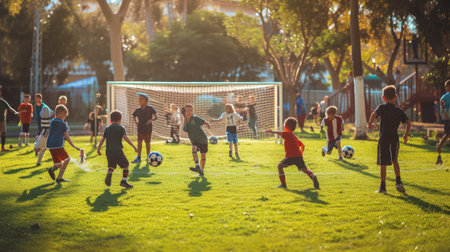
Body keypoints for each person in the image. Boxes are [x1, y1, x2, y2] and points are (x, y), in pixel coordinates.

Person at [368, 85, 411, 194]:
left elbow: (373, 114)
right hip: (394, 139)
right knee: (394, 160)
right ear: (395, 97)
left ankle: (383, 188)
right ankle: (398, 182)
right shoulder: (399, 111)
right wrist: (405, 135)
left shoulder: (381, 107)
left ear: (383, 97)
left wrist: (370, 123)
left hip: (384, 139)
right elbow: (408, 123)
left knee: (383, 163)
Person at [265, 117, 319, 189]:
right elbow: (302, 145)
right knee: (305, 170)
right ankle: (313, 176)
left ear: (287, 126)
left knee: (280, 166)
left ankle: (283, 185)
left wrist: (272, 132)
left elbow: (280, 132)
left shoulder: (287, 134)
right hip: (299, 157)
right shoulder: (294, 136)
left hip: (290, 157)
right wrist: (300, 155)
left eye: (284, 125)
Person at [97, 110, 137, 189]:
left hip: (108, 151)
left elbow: (102, 139)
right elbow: (125, 138)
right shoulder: (121, 128)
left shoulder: (107, 128)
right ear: (120, 119)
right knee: (126, 165)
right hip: (118, 151)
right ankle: (124, 181)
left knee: (111, 166)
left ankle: (109, 174)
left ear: (110, 120)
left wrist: (98, 149)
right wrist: (134, 147)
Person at [46, 104, 80, 183]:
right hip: (58, 145)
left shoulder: (52, 121)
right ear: (62, 114)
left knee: (59, 164)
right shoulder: (63, 124)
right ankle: (59, 177)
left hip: (50, 145)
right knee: (67, 159)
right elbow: (67, 137)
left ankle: (53, 170)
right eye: (65, 115)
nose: (65, 117)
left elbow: (48, 132)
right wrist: (73, 146)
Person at [181, 104, 211, 177]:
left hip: (202, 139)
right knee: (194, 148)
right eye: (187, 111)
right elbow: (184, 129)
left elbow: (205, 123)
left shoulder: (195, 118)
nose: (188, 112)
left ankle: (202, 171)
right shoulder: (186, 121)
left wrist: (208, 125)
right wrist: (184, 118)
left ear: (193, 111)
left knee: (203, 156)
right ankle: (197, 166)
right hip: (194, 140)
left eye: (190, 110)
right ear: (184, 112)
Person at [131, 93, 158, 163]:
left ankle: (148, 157)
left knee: (147, 143)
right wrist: (136, 122)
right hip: (140, 128)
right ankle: (138, 157)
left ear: (146, 101)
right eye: (139, 99)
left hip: (148, 128)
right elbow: (134, 116)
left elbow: (156, 117)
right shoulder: (137, 109)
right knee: (139, 142)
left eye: (141, 99)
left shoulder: (150, 108)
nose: (139, 100)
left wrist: (151, 120)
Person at [436, 80, 450, 165]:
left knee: (448, 134)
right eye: (446, 86)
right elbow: (441, 102)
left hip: (447, 117)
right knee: (447, 134)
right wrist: (444, 112)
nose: (446, 88)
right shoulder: (446, 95)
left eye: (447, 86)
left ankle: (439, 147)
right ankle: (439, 147)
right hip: (448, 117)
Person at [0, 87, 18, 151]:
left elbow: (10, 108)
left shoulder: (3, 102)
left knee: (3, 133)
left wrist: (16, 112)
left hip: (2, 120)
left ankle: (2, 147)